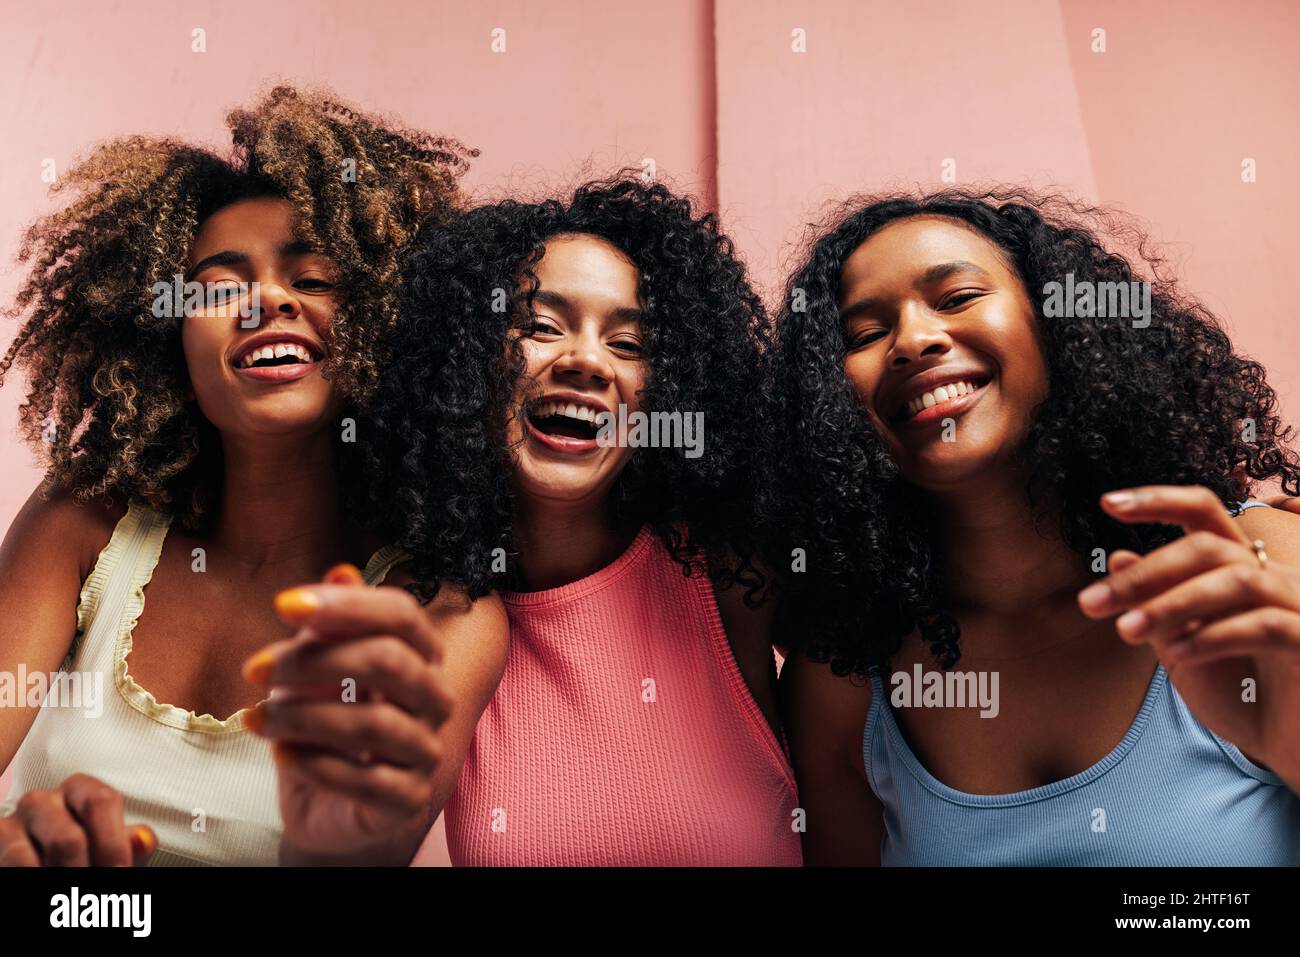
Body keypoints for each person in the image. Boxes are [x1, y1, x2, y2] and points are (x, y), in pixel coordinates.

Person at [0, 86, 507, 866]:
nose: (268, 298)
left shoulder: (439, 613)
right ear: (166, 339)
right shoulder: (86, 521)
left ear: (387, 323)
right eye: (219, 285)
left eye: (313, 279)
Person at [768, 189, 1300, 865]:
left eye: (957, 297)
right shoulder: (842, 681)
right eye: (865, 335)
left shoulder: (1262, 566)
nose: (913, 340)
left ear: (1061, 323)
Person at [364, 176, 802, 864]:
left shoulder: (729, 573)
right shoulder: (432, 618)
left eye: (629, 344)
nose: (586, 361)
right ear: (464, 359)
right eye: (540, 325)